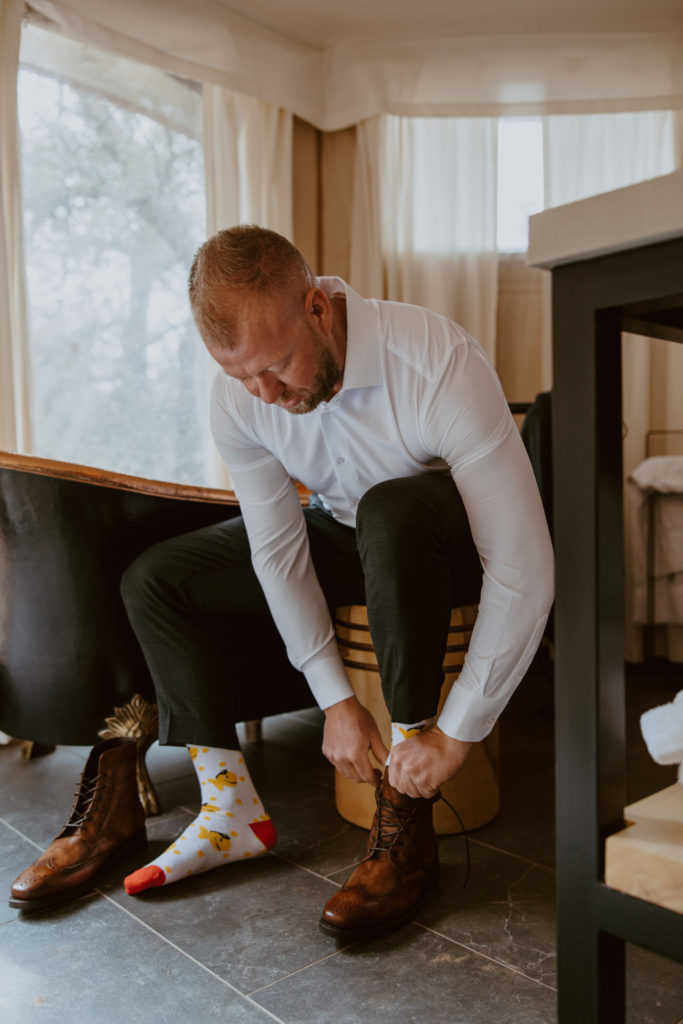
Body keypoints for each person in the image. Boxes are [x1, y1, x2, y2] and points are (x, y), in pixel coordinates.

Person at [12, 225, 553, 935]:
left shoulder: (435, 358)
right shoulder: (245, 397)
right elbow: (277, 548)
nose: (265, 394)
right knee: (158, 579)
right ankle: (227, 803)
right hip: (348, 531)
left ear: (318, 308)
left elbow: (522, 563)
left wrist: (454, 737)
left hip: (441, 541)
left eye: (277, 366)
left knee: (390, 510)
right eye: (242, 377)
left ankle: (405, 815)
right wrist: (332, 700)